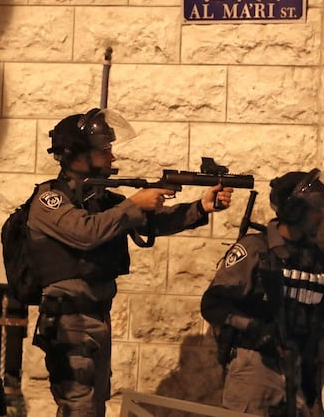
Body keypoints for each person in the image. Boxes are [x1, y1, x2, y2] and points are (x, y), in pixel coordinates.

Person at [28, 108, 234, 417]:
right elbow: (85, 233)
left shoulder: (102, 201)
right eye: (104, 150)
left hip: (97, 318)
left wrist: (201, 207)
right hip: (69, 322)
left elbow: (153, 221)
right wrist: (133, 204)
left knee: (95, 408)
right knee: (79, 409)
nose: (112, 158)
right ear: (79, 155)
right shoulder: (50, 200)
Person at [200, 169, 324, 417]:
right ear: (295, 210)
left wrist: (312, 391)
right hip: (256, 368)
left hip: (297, 374)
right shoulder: (254, 249)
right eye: (315, 207)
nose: (321, 215)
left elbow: (316, 321)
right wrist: (254, 327)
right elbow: (213, 304)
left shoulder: (312, 257)